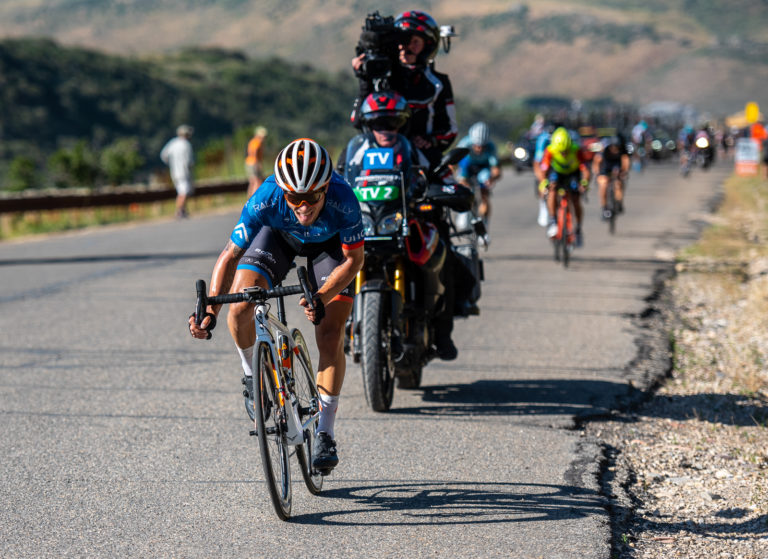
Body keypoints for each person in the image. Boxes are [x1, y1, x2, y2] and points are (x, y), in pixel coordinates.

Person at [188, 138, 365, 475]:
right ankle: (252, 375)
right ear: (282, 191)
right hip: (279, 236)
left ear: (326, 187)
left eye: (312, 197)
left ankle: (325, 432)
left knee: (329, 334)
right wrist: (210, 311)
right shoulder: (265, 198)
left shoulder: (344, 200)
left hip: (329, 247)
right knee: (240, 306)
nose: (303, 206)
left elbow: (355, 260)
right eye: (294, 197)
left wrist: (323, 296)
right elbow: (230, 255)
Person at [338, 89, 466, 359]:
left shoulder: (415, 149)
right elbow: (338, 180)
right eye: (378, 123)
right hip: (365, 222)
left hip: (406, 220)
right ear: (367, 124)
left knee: (445, 255)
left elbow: (439, 173)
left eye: (393, 122)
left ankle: (443, 332)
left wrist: (444, 190)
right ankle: (339, 324)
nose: (386, 128)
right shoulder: (354, 151)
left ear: (403, 123)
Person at [351, 9, 458, 167]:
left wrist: (431, 140)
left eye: (415, 42)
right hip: (377, 154)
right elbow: (357, 121)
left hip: (420, 159)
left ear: (427, 46)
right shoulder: (380, 76)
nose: (406, 48)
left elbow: (450, 129)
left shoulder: (438, 83)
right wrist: (364, 79)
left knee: (452, 190)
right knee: (342, 176)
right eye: (402, 42)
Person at [538, 127, 591, 246]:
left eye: (566, 151)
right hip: (557, 173)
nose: (564, 153)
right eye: (561, 151)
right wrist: (544, 182)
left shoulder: (576, 150)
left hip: (573, 173)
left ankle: (578, 229)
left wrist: (584, 183)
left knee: (576, 200)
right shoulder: (550, 150)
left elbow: (586, 170)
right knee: (551, 192)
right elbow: (543, 170)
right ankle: (553, 221)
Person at [456, 121, 502, 226]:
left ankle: (484, 223)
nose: (479, 149)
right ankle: (465, 209)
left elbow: (496, 169)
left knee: (485, 192)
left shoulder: (491, 147)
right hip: (467, 166)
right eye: (476, 146)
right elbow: (453, 162)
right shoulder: (464, 143)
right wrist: (461, 180)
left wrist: (492, 178)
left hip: (483, 168)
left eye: (482, 146)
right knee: (464, 180)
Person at [160, 124, 195, 218]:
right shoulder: (186, 145)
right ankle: (179, 211)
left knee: (181, 190)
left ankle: (183, 210)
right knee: (183, 192)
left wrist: (171, 163)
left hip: (174, 172)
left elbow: (163, 155)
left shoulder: (173, 143)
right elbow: (190, 162)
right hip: (184, 172)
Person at [592, 135, 630, 220]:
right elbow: (596, 162)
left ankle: (618, 202)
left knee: (618, 184)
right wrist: (597, 173)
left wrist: (624, 172)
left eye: (617, 147)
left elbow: (626, 161)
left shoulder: (622, 151)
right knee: (603, 185)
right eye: (613, 147)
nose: (615, 149)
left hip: (617, 168)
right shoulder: (604, 150)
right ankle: (604, 208)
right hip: (606, 169)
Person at [245, 126, 268, 197]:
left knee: (252, 181)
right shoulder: (257, 143)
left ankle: (249, 197)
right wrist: (258, 164)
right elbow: (254, 153)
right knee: (257, 181)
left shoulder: (253, 141)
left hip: (249, 162)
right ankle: (255, 197)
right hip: (254, 163)